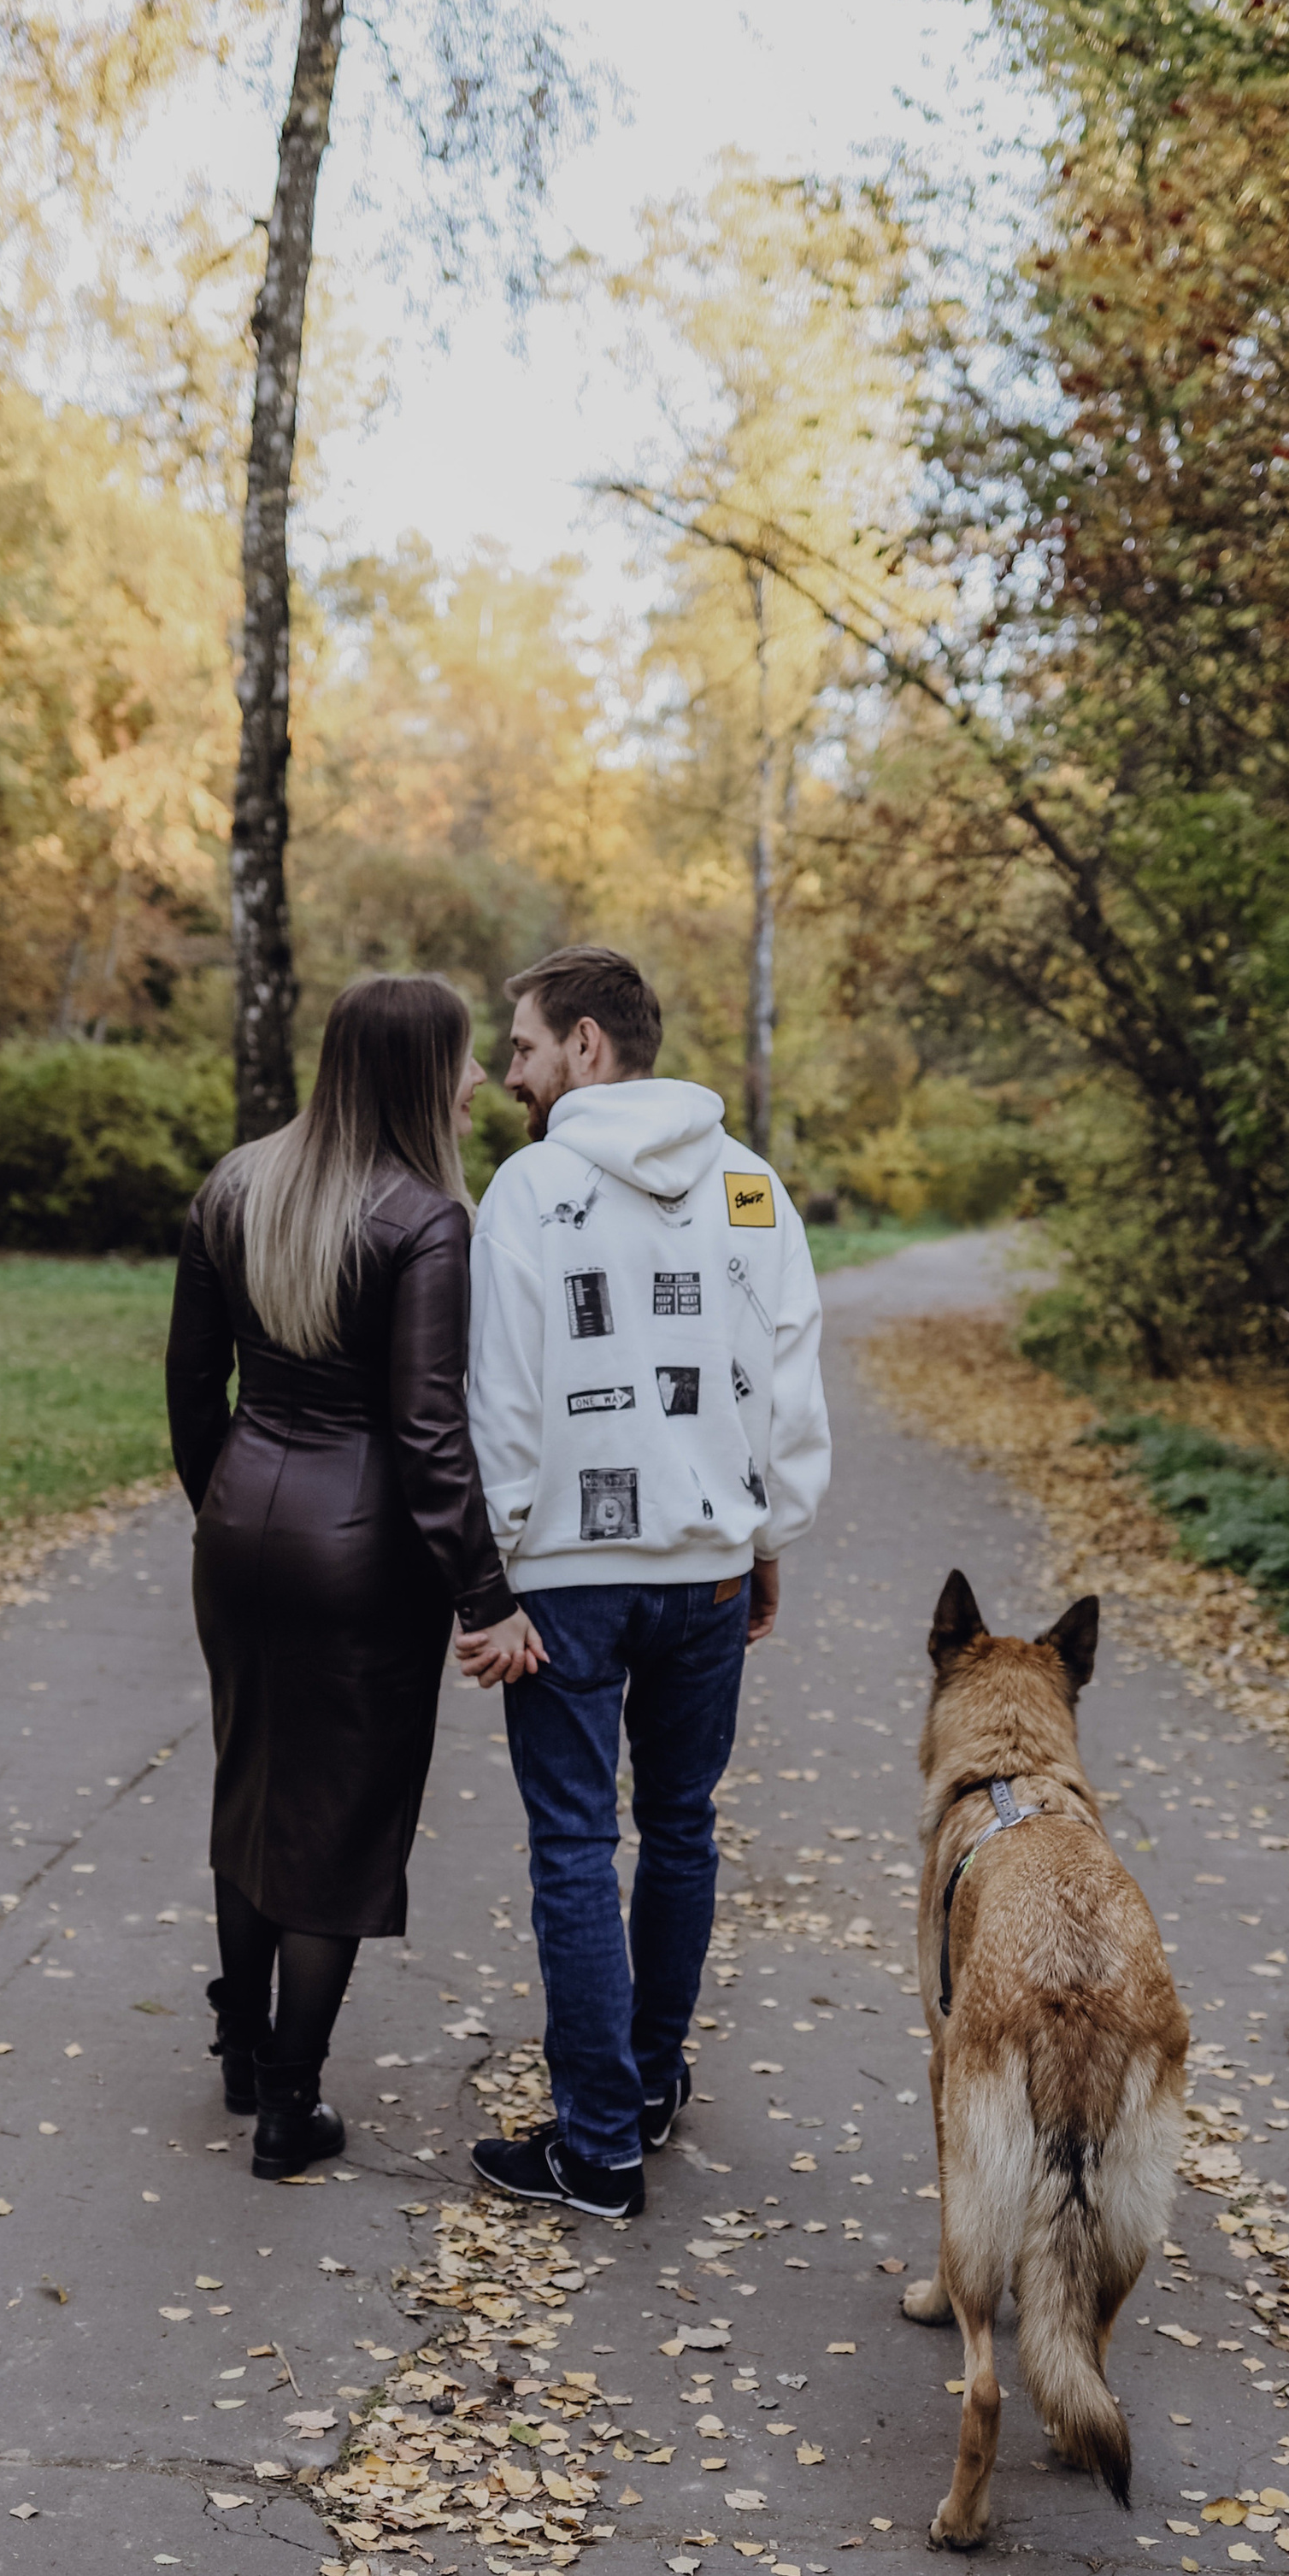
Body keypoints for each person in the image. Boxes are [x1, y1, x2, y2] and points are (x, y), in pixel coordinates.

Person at [459, 944, 831, 2216]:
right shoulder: (752, 1186)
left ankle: (599, 2144)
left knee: (575, 1840)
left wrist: (494, 1571)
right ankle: (650, 2085)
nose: (511, 1073)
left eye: (523, 1047)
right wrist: (766, 1539)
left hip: (568, 1577)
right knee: (680, 1827)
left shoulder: (530, 1187)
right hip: (710, 1570)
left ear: (587, 1045)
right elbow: (786, 1384)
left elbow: (504, 1396)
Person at [165, 973, 542, 2179]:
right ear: (418, 1071)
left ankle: (242, 2043)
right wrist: (486, 1594)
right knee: (340, 1819)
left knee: (252, 1780)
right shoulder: (427, 1218)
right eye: (464, 1058)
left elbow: (192, 1391)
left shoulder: (237, 1185)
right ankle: (290, 2106)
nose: (477, 1079)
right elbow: (428, 1433)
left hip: (239, 1530)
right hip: (364, 1555)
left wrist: (225, 1513)